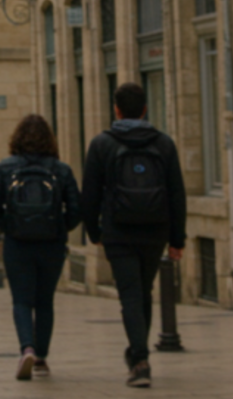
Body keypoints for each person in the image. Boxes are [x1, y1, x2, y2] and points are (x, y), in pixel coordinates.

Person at [81, 82, 187, 389]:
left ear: (116, 109)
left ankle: (140, 360)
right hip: (155, 230)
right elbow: (177, 194)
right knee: (144, 292)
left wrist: (94, 230)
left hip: (119, 231)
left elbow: (90, 193)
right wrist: (177, 239)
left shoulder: (102, 144)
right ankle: (138, 354)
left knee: (130, 294)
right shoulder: (163, 143)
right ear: (144, 109)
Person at [0, 115, 82, 381]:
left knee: (22, 300)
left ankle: (26, 347)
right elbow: (76, 209)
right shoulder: (61, 170)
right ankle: (41, 358)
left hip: (18, 244)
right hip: (51, 244)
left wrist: (11, 227)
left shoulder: (4, 168)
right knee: (45, 301)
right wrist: (59, 229)